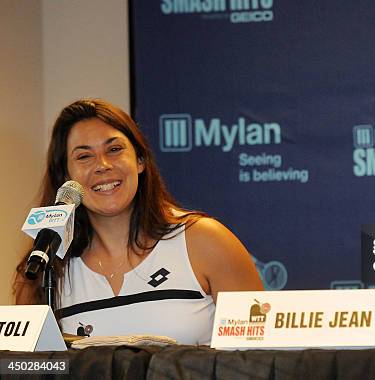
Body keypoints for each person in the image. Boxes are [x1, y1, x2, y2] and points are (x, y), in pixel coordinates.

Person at [14, 99, 263, 345]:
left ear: (140, 161)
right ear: (66, 176)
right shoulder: (43, 269)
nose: (102, 165)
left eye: (114, 149)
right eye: (84, 156)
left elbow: (258, 358)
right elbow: (26, 367)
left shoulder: (204, 241)